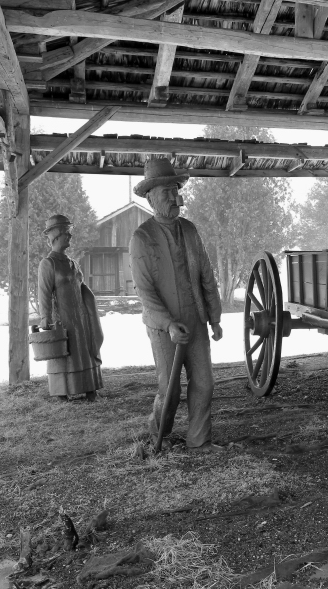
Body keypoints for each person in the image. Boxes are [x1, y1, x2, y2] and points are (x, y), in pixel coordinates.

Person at [129, 159, 223, 452]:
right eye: (165, 192)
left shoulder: (190, 230)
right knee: (169, 391)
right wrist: (168, 324)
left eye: (174, 190)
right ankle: (160, 434)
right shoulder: (141, 238)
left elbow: (206, 275)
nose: (173, 197)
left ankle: (199, 440)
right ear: (151, 197)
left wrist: (214, 317)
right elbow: (145, 293)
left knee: (204, 384)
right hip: (163, 328)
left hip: (194, 320)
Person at [37, 214, 104, 401]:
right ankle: (62, 391)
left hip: (80, 316)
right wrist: (46, 318)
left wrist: (89, 309)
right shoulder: (48, 264)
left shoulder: (72, 263)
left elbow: (81, 288)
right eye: (67, 232)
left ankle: (90, 388)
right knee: (65, 355)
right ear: (56, 235)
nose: (70, 237)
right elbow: (43, 293)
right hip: (63, 319)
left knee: (84, 351)